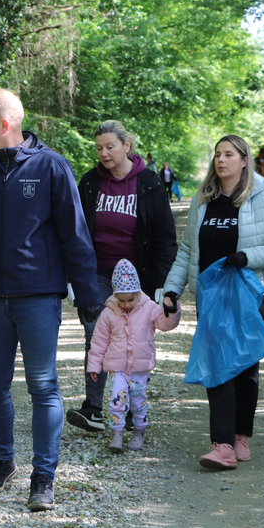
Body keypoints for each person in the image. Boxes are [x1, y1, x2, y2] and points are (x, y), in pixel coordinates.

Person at [0, 88, 102, 512]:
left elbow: (74, 234)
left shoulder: (51, 166)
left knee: (43, 385)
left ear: (4, 125)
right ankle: (1, 461)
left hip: (38, 297)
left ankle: (43, 475)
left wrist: (88, 294)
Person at [163, 135, 264, 470]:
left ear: (245, 159)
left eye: (229, 154)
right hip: (212, 294)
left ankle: (240, 435)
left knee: (245, 365)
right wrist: (172, 289)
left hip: (252, 292)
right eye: (218, 154)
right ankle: (221, 444)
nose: (221, 160)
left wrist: (246, 257)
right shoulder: (203, 198)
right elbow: (188, 250)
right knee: (218, 362)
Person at [66, 121, 178, 435]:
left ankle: (127, 407)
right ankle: (92, 409)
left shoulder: (149, 183)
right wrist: (72, 275)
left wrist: (162, 283)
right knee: (97, 332)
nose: (104, 153)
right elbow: (74, 230)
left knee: (132, 339)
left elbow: (165, 237)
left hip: (137, 277)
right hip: (98, 272)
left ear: (126, 146)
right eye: (99, 148)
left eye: (110, 146)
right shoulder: (90, 183)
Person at [86, 259, 180, 453]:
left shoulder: (149, 308)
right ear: (115, 296)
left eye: (130, 300)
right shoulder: (109, 312)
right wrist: (94, 365)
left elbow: (165, 324)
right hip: (118, 367)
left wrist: (171, 310)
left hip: (139, 367)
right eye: (121, 300)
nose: (126, 304)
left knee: (138, 402)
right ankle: (117, 433)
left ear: (138, 294)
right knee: (116, 400)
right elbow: (99, 341)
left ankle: (139, 431)